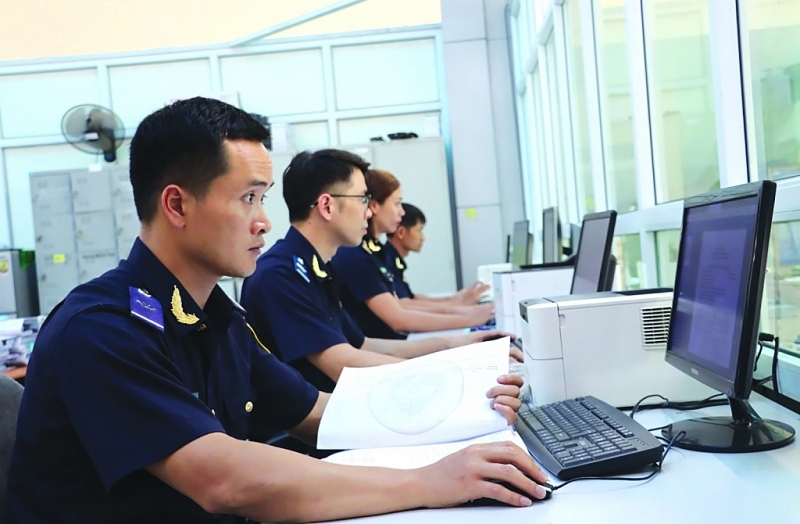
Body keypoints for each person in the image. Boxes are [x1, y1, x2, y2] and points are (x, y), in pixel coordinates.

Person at [8, 97, 549, 524]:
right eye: (248, 198)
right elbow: (224, 481)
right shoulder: (103, 330)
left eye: (263, 198)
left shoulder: (214, 314)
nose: (265, 221)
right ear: (176, 205)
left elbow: (320, 414)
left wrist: (467, 404)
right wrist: (429, 482)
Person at [240, 149, 511, 393]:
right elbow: (344, 363)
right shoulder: (281, 275)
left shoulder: (316, 269)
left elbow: (365, 346)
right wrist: (455, 370)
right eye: (363, 199)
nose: (369, 212)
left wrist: (461, 346)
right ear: (327, 205)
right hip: (311, 436)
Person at [332, 169, 494, 339]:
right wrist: (468, 317)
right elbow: (399, 318)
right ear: (374, 206)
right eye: (396, 203)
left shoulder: (371, 251)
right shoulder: (354, 256)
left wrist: (459, 308)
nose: (401, 212)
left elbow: (401, 304)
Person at [385, 202, 490, 305]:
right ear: (401, 233)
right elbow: (405, 305)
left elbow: (411, 298)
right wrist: (459, 304)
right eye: (419, 230)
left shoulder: (392, 260)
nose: (423, 238)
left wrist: (454, 298)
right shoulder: (386, 262)